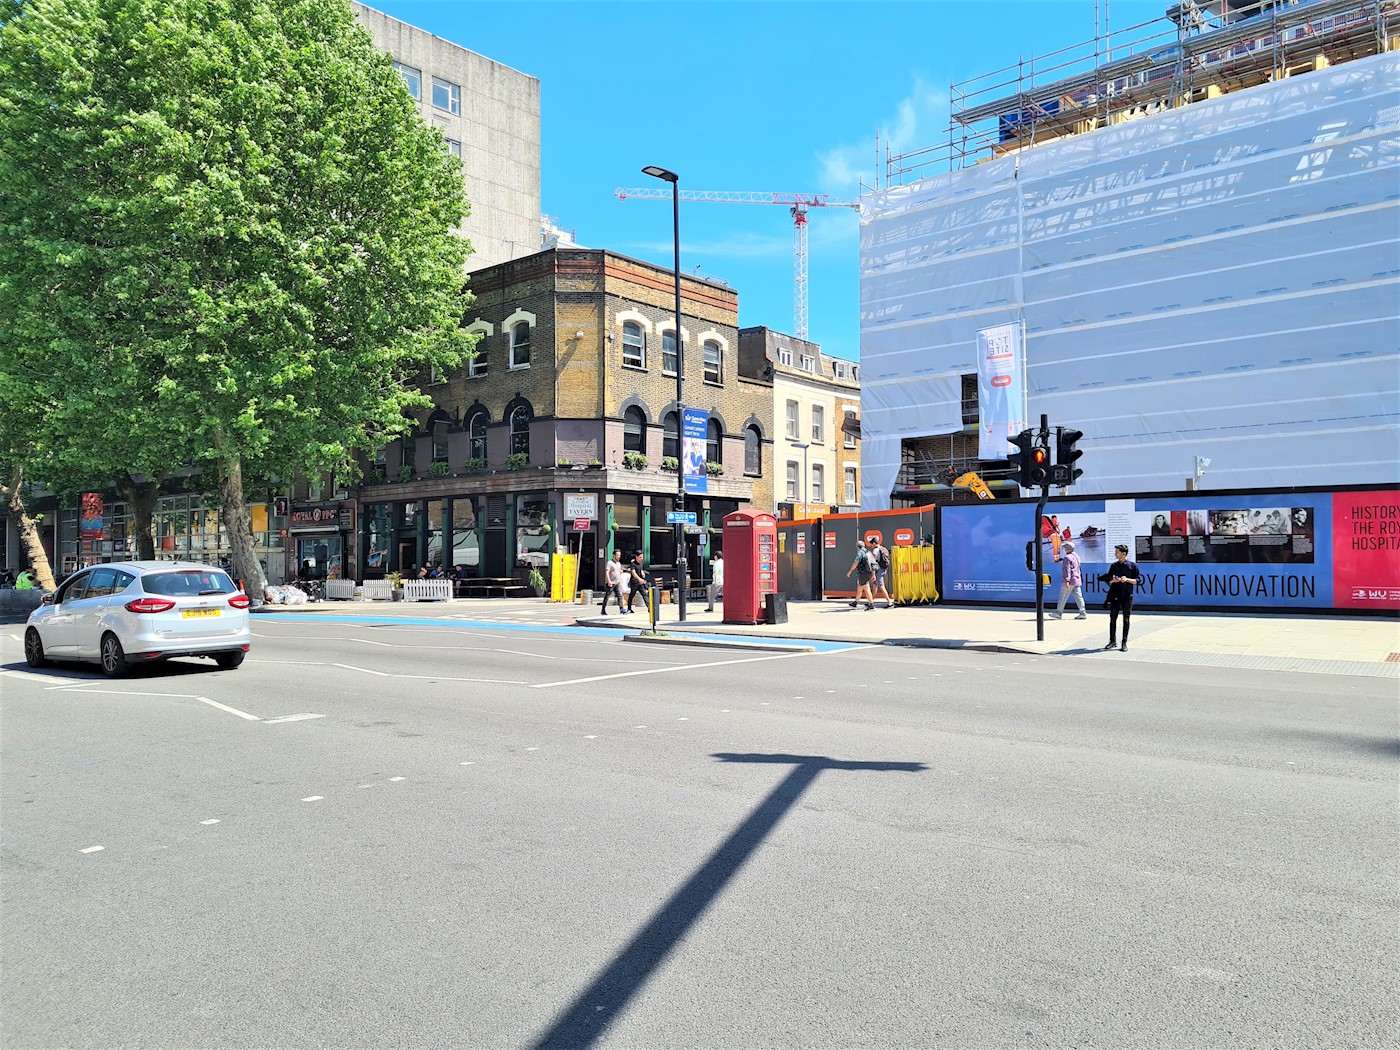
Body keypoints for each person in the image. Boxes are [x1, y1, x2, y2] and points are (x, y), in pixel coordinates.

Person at [1104, 543, 1141, 652]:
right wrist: (1113, 580)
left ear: (1123, 554)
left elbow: (1138, 581)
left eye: (1117, 552)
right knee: (1113, 618)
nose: (1115, 553)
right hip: (1115, 595)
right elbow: (1108, 579)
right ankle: (1112, 641)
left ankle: (1124, 642)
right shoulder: (1114, 566)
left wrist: (1127, 579)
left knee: (1126, 619)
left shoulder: (1132, 566)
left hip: (1127, 596)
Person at [1050, 540, 1087, 620]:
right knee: (1079, 597)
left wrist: (1066, 581)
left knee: (1063, 596)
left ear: (1069, 549)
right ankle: (1082, 612)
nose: (1065, 550)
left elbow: (1067, 570)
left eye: (1065, 548)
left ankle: (1058, 613)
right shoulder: (1077, 556)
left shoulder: (1067, 558)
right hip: (1077, 580)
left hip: (1070, 581)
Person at [845, 541, 875, 611]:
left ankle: (871, 605)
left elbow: (856, 563)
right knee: (859, 587)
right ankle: (855, 602)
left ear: (857, 546)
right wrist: (873, 574)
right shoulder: (868, 552)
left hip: (863, 573)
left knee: (866, 588)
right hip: (868, 572)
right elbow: (873, 564)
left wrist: (850, 571)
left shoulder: (860, 553)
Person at [601, 549, 626, 616]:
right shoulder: (610, 563)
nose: (619, 556)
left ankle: (621, 609)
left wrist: (620, 581)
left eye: (619, 555)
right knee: (607, 596)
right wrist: (609, 581)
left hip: (617, 582)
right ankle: (603, 609)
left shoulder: (619, 563)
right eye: (617, 555)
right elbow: (607, 572)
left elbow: (618, 573)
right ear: (614, 555)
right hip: (611, 583)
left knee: (620, 596)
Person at [869, 540, 893, 609]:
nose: (871, 546)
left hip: (878, 570)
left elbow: (873, 561)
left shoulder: (875, 550)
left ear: (874, 543)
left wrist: (872, 570)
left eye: (871, 544)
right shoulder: (883, 548)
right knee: (875, 586)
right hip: (883, 569)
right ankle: (871, 602)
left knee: (881, 586)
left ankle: (889, 603)